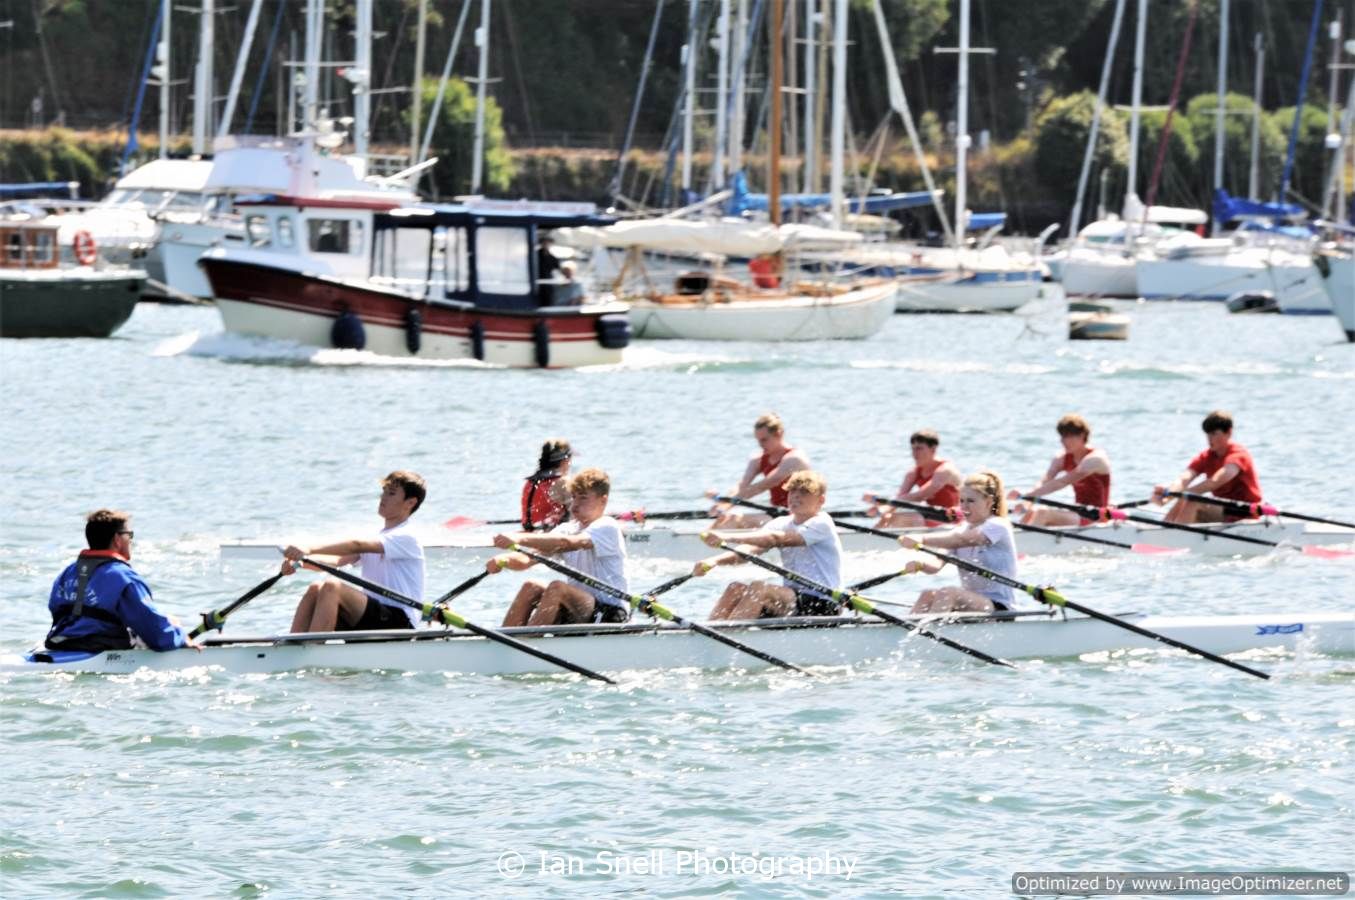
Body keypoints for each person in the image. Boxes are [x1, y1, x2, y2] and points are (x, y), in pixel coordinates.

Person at [283, 471, 427, 632]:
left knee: (332, 586)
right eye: (384, 492)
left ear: (410, 502)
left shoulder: (407, 536)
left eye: (391, 493)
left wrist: (308, 549)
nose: (383, 497)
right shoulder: (379, 538)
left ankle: (313, 645)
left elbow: (356, 545)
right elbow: (337, 561)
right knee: (315, 588)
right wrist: (300, 562)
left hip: (401, 621)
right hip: (375, 616)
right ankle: (292, 643)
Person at [42, 509, 198, 654]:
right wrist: (180, 635)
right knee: (172, 622)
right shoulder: (123, 577)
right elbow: (156, 634)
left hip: (60, 643)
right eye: (129, 534)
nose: (130, 540)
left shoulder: (67, 573)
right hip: (100, 648)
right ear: (117, 539)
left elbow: (57, 611)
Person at [695, 470, 844, 620]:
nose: (795, 496)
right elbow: (748, 550)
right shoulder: (780, 523)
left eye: (804, 492)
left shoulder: (822, 523)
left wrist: (727, 537)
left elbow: (774, 539)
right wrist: (714, 561)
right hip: (793, 599)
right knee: (735, 588)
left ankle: (735, 631)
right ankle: (713, 629)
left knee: (759, 588)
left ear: (821, 500)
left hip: (824, 602)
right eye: (792, 491)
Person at [490, 468, 631, 626]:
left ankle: (528, 638)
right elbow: (527, 560)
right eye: (574, 497)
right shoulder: (568, 529)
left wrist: (520, 538)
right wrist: (503, 560)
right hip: (580, 608)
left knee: (557, 588)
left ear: (602, 501)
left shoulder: (607, 526)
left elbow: (568, 543)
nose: (575, 505)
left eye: (583, 498)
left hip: (610, 613)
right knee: (530, 587)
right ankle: (506, 637)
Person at [896, 470, 1021, 615]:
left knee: (948, 593)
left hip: (999, 606)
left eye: (971, 501)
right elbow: (936, 565)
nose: (964, 507)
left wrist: (922, 539)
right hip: (972, 602)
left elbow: (962, 540)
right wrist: (920, 565)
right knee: (927, 595)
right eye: (962, 501)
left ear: (988, 502)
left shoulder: (998, 525)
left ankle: (930, 627)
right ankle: (910, 626)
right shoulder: (962, 529)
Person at [1152, 410, 1262, 523]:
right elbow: (1184, 479)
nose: (1209, 438)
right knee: (1186, 497)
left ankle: (1175, 530)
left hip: (1246, 511)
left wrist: (1184, 493)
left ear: (1228, 433)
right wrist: (1168, 494)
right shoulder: (1206, 457)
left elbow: (1215, 481)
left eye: (1214, 433)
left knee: (1191, 498)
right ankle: (1166, 525)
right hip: (1224, 510)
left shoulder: (1238, 455)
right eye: (1208, 434)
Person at [706, 412, 812, 529]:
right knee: (727, 520)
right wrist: (721, 503)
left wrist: (726, 505)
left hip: (802, 516)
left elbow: (762, 486)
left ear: (779, 434)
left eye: (764, 440)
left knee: (735, 520)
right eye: (758, 440)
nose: (760, 445)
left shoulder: (794, 459)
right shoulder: (758, 459)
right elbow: (742, 486)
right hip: (778, 514)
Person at [1012, 415, 1113, 526]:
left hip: (1098, 517)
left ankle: (1028, 536)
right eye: (1062, 436)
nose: (1064, 441)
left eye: (1068, 436)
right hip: (1079, 513)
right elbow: (1044, 482)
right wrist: (1026, 502)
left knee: (1042, 513)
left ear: (1082, 435)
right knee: (1032, 511)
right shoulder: (1061, 458)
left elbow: (1062, 482)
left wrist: (1026, 495)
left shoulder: (1096, 459)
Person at [864, 429, 963, 528]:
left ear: (933, 449)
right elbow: (900, 498)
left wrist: (885, 505)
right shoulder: (913, 473)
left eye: (919, 448)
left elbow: (920, 496)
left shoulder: (945, 470)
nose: (914, 453)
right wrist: (884, 508)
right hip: (932, 517)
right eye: (913, 449)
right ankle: (872, 534)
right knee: (893, 515)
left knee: (907, 516)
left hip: (954, 518)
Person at [522, 439, 572, 531]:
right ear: (565, 460)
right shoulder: (563, 482)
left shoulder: (529, 483)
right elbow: (577, 514)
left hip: (531, 530)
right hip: (552, 534)